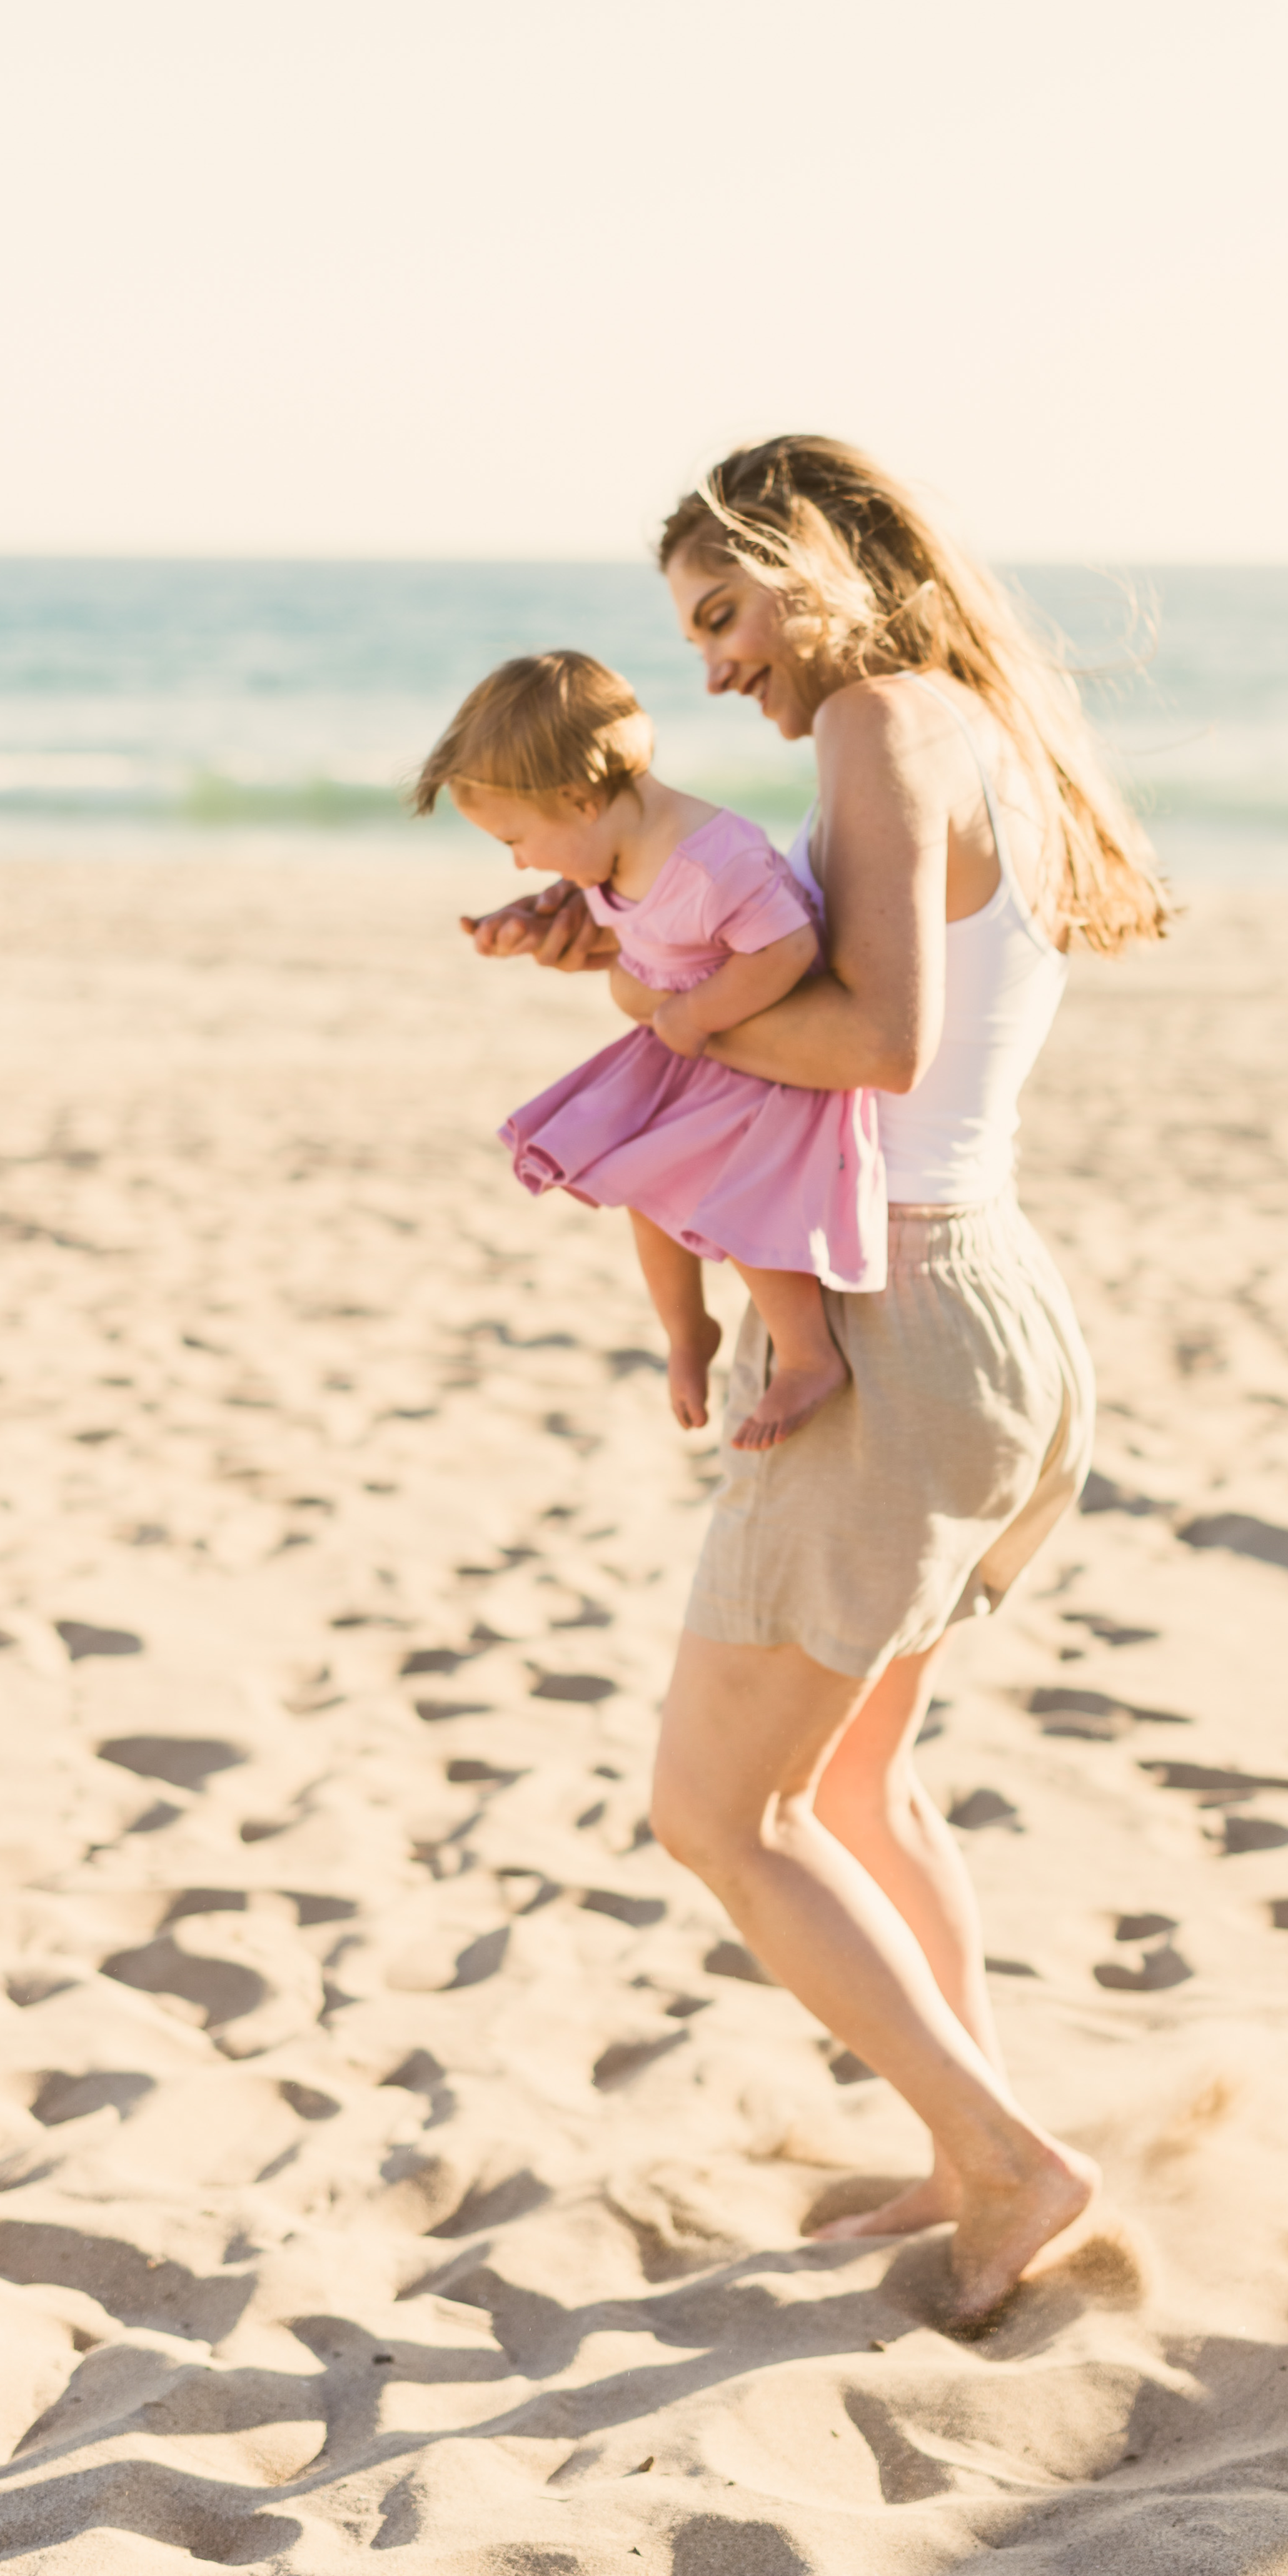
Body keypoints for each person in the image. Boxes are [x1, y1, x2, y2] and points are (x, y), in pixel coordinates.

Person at [463, 438, 1168, 2328]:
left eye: (721, 611)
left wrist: (630, 993)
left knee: (717, 1813)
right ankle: (971, 2149)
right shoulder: (966, 722)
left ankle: (1013, 2163)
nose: (706, 670)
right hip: (990, 1298)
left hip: (906, 1318)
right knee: (854, 1781)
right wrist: (619, 932)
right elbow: (850, 1015)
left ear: (813, 568)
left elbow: (863, 1038)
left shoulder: (874, 717)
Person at [415, 649, 883, 1452]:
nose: (521, 859)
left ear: (579, 797)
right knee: (642, 1180)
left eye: (518, 840)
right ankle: (688, 1328)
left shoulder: (713, 858)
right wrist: (530, 921)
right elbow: (617, 913)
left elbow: (786, 949)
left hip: (762, 1062)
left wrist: (697, 1015)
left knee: (732, 1207)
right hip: (693, 1050)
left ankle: (808, 1356)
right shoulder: (615, 844)